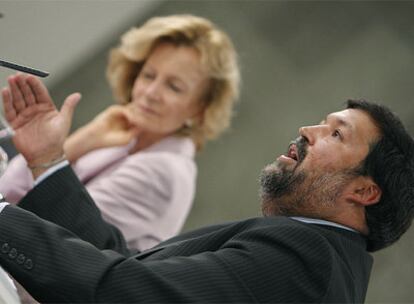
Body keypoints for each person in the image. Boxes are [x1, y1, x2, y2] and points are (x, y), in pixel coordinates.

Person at [0, 75, 413, 303]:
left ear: (364, 191)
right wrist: (48, 161)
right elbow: (135, 270)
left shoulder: (308, 259)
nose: (308, 130)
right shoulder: (321, 255)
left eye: (336, 134)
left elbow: (127, 292)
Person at [0, 14, 240, 251]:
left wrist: (57, 150)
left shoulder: (164, 173)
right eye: (148, 75)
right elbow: (8, 188)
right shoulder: (122, 137)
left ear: (200, 109)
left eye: (174, 87)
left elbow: (47, 232)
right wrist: (86, 139)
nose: (151, 92)